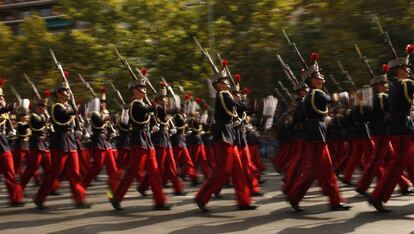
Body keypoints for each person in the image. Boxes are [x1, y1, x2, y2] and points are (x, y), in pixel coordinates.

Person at [286, 53, 351, 211]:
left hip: (315, 133)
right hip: (315, 135)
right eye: (319, 77)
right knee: (314, 170)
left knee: (326, 170)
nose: (322, 79)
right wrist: (342, 95)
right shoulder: (316, 93)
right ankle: (295, 196)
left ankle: (335, 200)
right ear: (313, 80)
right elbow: (328, 99)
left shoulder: (310, 94)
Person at [194, 73, 256, 211]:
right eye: (225, 80)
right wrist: (245, 104)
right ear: (218, 84)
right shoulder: (223, 94)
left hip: (229, 135)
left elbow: (236, 110)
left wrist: (246, 107)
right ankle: (202, 197)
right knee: (222, 169)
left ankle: (244, 201)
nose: (228, 82)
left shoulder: (227, 95)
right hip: (224, 135)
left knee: (238, 170)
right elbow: (236, 105)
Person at [109, 78, 169, 211]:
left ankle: (160, 201)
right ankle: (116, 197)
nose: (144, 89)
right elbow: (148, 109)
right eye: (141, 88)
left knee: (154, 172)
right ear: (134, 91)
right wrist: (157, 103)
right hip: (138, 140)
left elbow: (162, 113)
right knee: (132, 172)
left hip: (147, 140)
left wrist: (163, 100)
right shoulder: (135, 104)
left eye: (144, 87)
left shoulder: (143, 103)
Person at [34, 82, 89, 209]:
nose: (68, 93)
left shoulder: (68, 106)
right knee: (54, 172)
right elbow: (63, 116)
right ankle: (39, 197)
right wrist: (74, 109)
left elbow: (73, 122)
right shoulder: (56, 107)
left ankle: (79, 199)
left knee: (75, 172)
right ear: (58, 94)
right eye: (65, 91)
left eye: (69, 91)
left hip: (71, 142)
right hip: (59, 142)